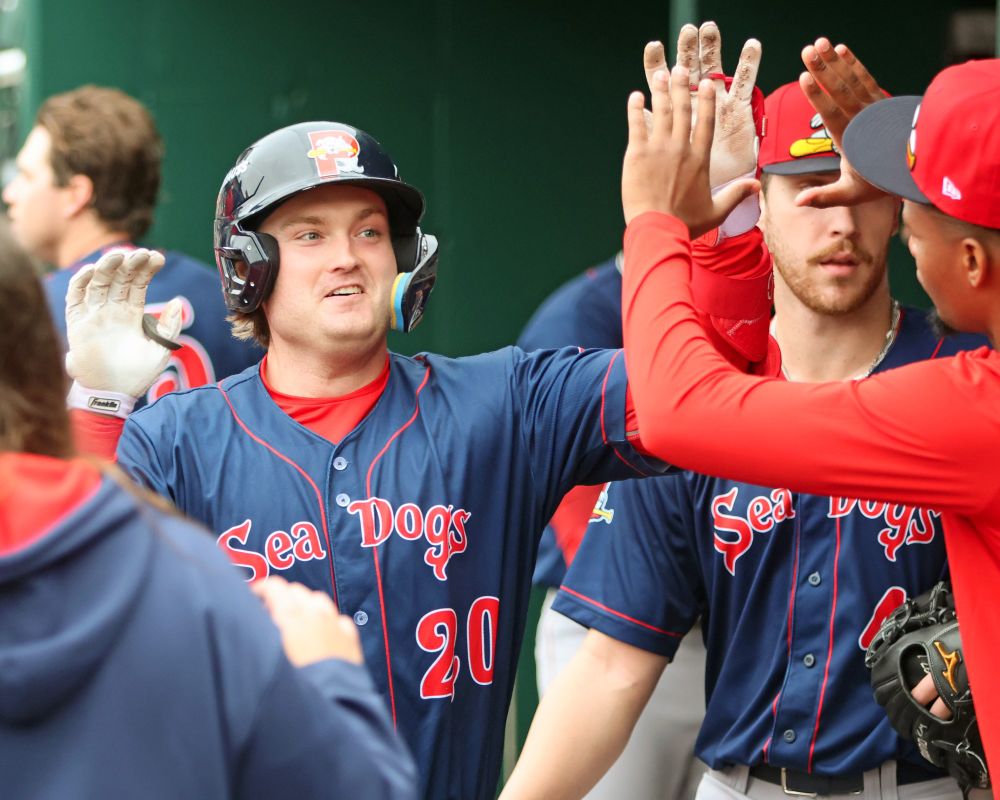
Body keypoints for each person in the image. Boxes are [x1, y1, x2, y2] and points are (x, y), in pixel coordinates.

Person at [63, 120, 676, 800]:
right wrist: (96, 409)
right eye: (310, 235)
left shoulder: (504, 403)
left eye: (369, 232)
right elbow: (70, 601)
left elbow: (687, 392)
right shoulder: (174, 439)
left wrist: (717, 237)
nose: (348, 256)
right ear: (248, 265)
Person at [503, 73, 989, 800]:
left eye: (861, 193)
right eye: (812, 188)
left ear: (900, 213)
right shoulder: (713, 385)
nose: (841, 224)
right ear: (756, 204)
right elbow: (612, 665)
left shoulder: (964, 377)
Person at [0, 225, 416, 799]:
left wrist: (96, 406)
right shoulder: (184, 576)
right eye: (311, 235)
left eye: (369, 231)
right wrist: (333, 678)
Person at [519, 250, 707, 800]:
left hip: (715, 639)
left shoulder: (746, 309)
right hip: (605, 622)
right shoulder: (580, 317)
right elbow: (571, 504)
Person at [2, 85, 260, 407]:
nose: (10, 193)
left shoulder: (32, 307)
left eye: (26, 176)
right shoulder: (226, 293)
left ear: (75, 194)